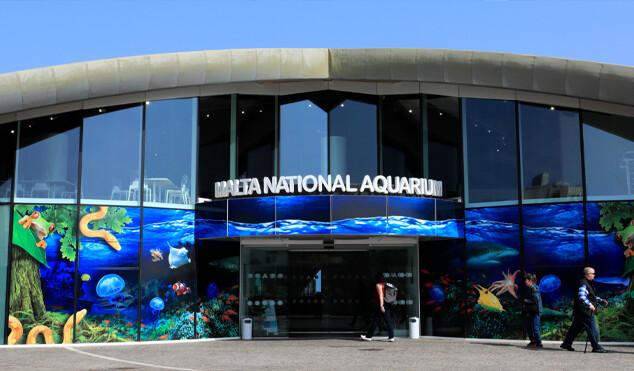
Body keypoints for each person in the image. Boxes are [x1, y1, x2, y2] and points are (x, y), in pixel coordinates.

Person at [560, 267, 608, 353]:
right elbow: (581, 296)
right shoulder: (584, 283)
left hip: (580, 311)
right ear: (589, 274)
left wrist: (601, 300)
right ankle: (596, 347)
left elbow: (591, 296)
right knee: (593, 328)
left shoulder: (587, 283)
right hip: (584, 311)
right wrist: (589, 305)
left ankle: (566, 344)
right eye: (593, 274)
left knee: (575, 328)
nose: (594, 275)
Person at [360, 273, 394, 342]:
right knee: (388, 321)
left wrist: (381, 306)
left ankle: (368, 336)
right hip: (387, 305)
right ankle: (391, 337)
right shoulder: (385, 284)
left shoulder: (378, 285)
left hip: (380, 305)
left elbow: (380, 296)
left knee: (375, 321)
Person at [522, 273, 543, 348]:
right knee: (528, 326)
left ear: (530, 281)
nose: (525, 282)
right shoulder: (532, 288)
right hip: (532, 311)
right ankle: (533, 341)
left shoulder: (534, 289)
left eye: (526, 281)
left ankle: (539, 342)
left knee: (535, 327)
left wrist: (526, 300)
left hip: (536, 311)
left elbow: (536, 299)